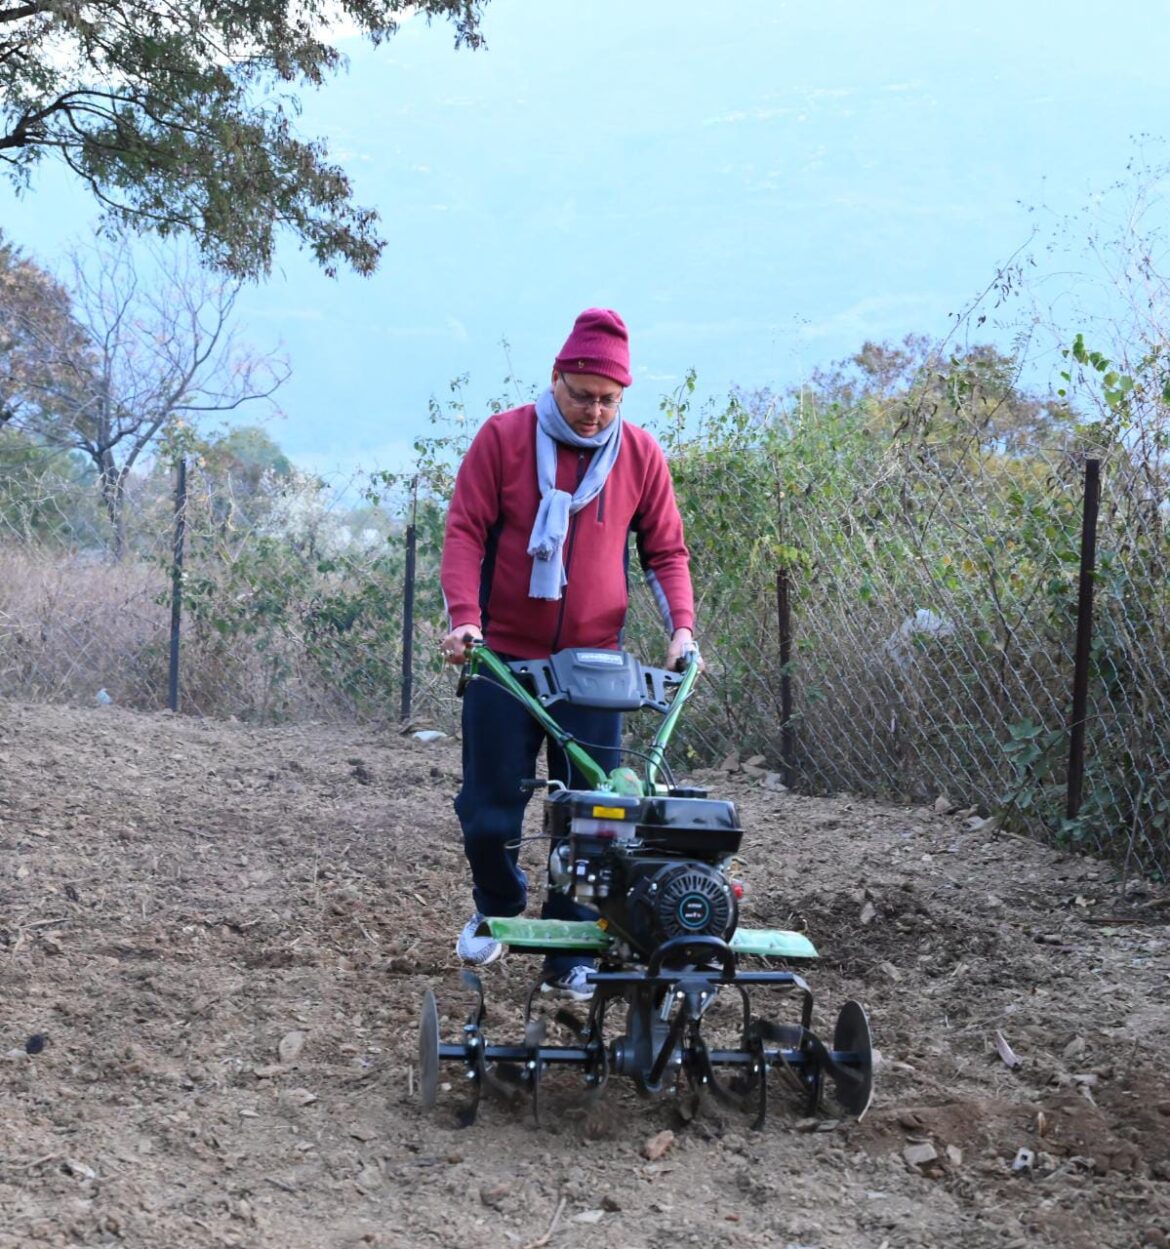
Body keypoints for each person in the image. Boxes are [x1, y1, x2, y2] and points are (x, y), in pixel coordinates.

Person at [438, 308, 698, 1001]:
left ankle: (571, 953)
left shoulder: (640, 456)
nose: (593, 411)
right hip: (506, 662)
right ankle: (498, 904)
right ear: (555, 379)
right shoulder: (503, 440)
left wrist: (681, 629)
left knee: (595, 816)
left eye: (608, 399)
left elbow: (664, 552)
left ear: (623, 397)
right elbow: (464, 533)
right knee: (489, 810)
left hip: (595, 666)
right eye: (582, 394)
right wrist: (466, 622)